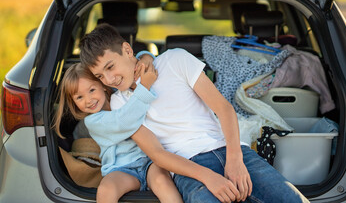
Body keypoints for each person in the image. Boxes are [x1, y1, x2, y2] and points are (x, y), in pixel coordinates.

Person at [79, 23, 310, 203]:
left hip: (230, 151)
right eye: (100, 76)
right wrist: (208, 177)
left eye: (110, 67)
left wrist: (236, 160)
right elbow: (158, 155)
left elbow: (224, 108)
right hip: (187, 169)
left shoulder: (175, 60)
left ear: (128, 50)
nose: (109, 80)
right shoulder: (121, 104)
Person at [54, 63, 240, 203]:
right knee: (106, 189)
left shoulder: (123, 97)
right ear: (73, 103)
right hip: (121, 169)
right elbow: (125, 120)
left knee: (162, 181)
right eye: (79, 97)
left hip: (150, 161)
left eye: (91, 90)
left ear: (103, 85)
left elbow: (138, 62)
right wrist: (145, 86)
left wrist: (145, 57)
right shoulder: (93, 121)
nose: (89, 100)